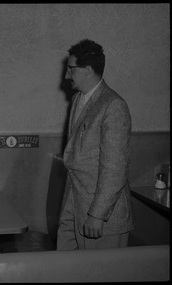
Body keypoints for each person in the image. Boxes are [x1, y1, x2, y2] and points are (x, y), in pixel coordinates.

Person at [57, 39, 134, 250]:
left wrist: (97, 215)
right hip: (73, 202)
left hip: (100, 216)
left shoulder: (113, 105)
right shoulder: (78, 100)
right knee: (65, 267)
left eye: (70, 69)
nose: (66, 75)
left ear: (88, 70)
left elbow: (115, 168)